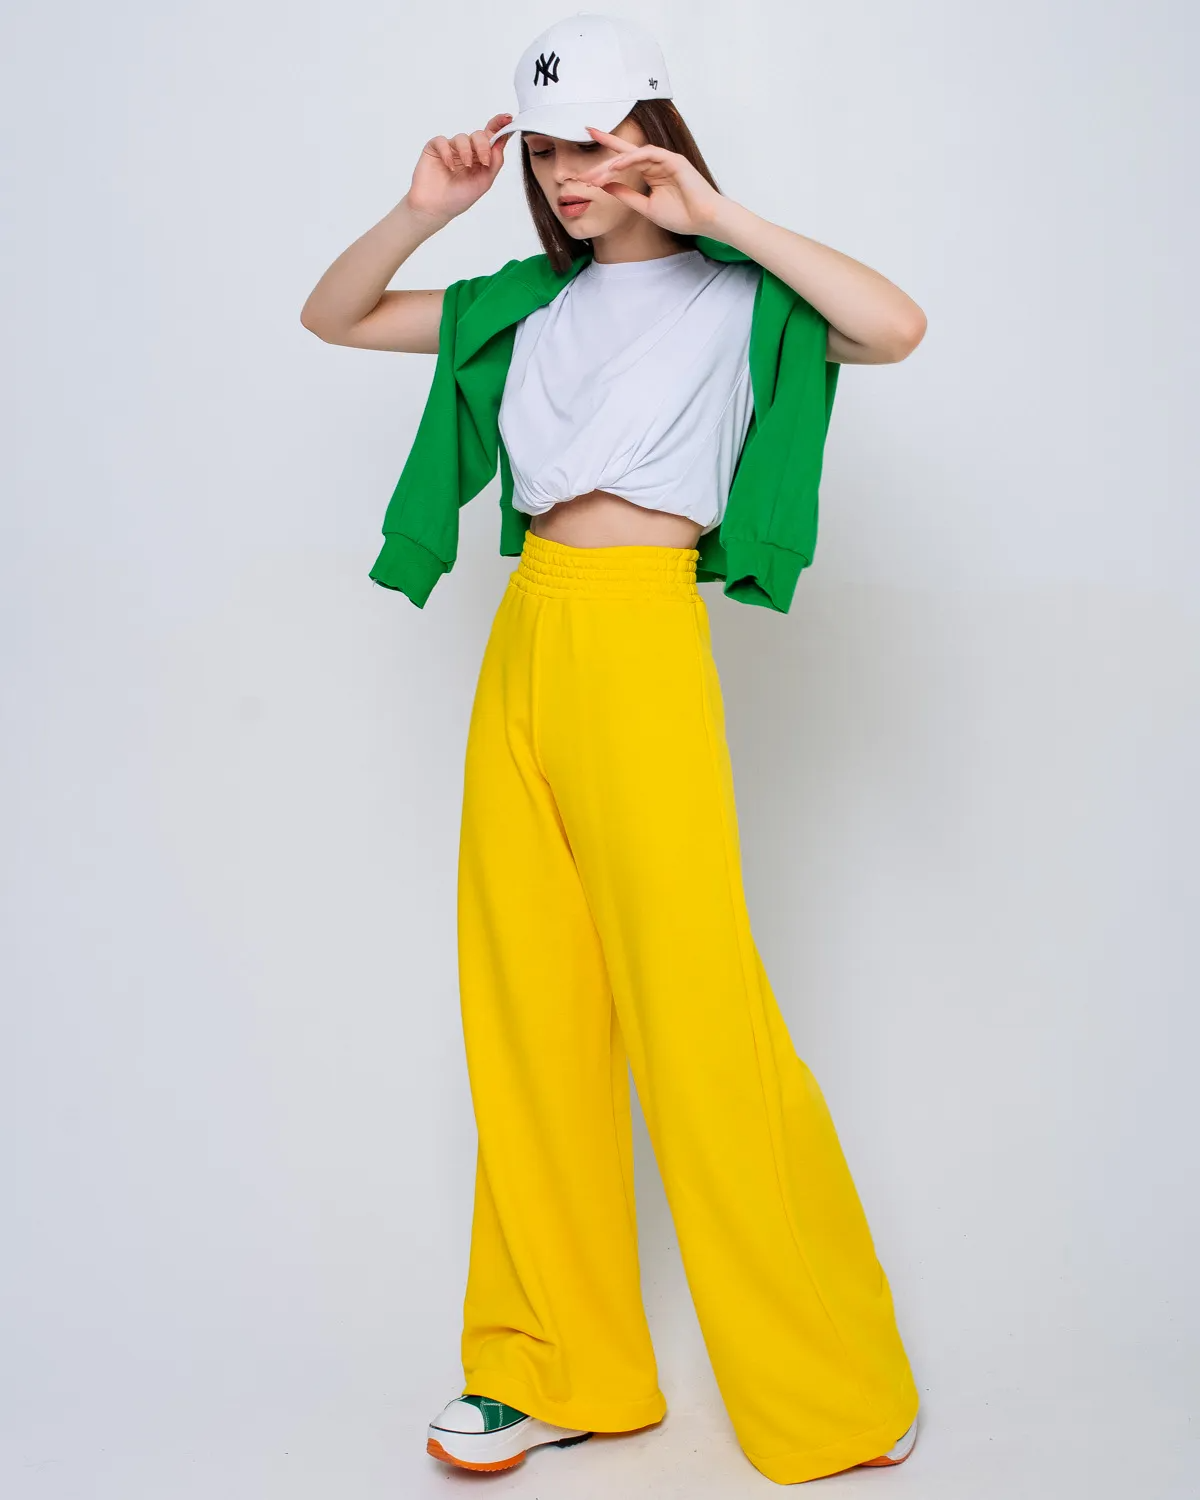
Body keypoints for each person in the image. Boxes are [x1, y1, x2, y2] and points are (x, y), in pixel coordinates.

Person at [300, 12, 927, 1487]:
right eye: (546, 152)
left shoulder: (738, 294)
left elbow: (894, 327)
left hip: (644, 645)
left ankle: (833, 1381)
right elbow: (335, 315)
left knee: (700, 1020)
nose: (570, 176)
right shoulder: (523, 303)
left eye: (594, 145)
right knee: (529, 1014)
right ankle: (552, 1370)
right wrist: (424, 207)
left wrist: (717, 213)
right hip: (527, 637)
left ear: (653, 139)